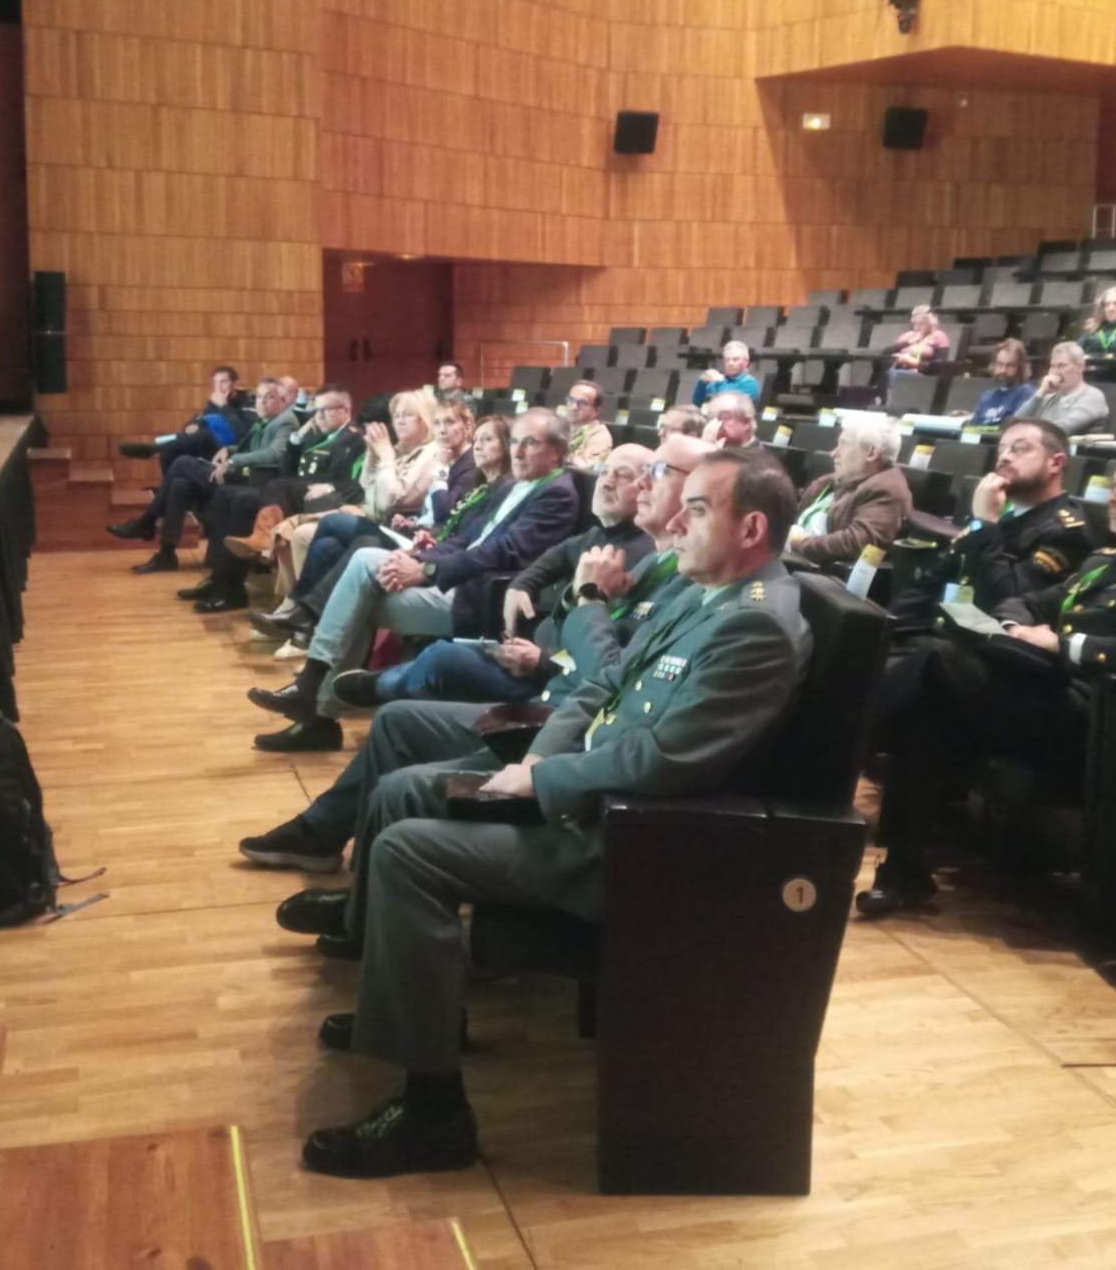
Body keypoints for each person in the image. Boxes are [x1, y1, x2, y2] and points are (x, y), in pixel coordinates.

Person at [294, 450, 811, 1179]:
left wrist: (543, 783)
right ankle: (417, 1014)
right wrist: (537, 763)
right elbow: (599, 691)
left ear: (751, 526)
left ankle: (434, 1113)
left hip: (631, 845)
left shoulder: (756, 625)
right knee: (403, 793)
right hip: (587, 799)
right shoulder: (703, 594)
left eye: (697, 508)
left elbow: (662, 763)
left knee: (409, 851)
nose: (678, 521)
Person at [237, 437, 714, 883]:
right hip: (548, 685)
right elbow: (553, 583)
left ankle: (362, 691)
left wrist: (556, 645)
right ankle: (327, 796)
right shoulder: (646, 557)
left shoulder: (673, 572)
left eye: (652, 472)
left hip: (556, 712)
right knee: (391, 684)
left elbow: (614, 676)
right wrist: (535, 597)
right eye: (631, 472)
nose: (631, 483)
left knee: (425, 673)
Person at [856, 448, 1116, 917]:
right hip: (1042, 690)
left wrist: (1064, 645)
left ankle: (836, 750)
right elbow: (1028, 603)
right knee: (932, 706)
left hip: (1096, 715)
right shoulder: (1103, 559)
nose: (1113, 495)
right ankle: (903, 871)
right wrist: (1014, 628)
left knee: (936, 661)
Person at [244, 411, 580, 751]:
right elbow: (464, 539)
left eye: (530, 443)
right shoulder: (518, 485)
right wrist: (417, 560)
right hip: (455, 580)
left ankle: (315, 703)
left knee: (359, 593)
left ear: (557, 451)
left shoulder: (557, 494)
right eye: (515, 441)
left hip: (479, 597)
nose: (517, 451)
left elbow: (500, 552)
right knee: (363, 565)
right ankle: (315, 704)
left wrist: (427, 571)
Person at [332, 445, 658, 709]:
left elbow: (609, 657)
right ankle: (373, 684)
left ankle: (378, 686)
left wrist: (542, 662)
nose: (606, 481)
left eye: (622, 475)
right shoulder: (598, 535)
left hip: (550, 684)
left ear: (647, 488)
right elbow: (551, 559)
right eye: (604, 471)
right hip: (531, 654)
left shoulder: (635, 557)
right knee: (447, 652)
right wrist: (521, 585)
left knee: (441, 658)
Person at [885, 419, 1093, 634]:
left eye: (1020, 449)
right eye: (1002, 449)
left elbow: (1007, 604)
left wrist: (985, 524)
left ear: (1056, 463)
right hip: (933, 629)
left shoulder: (1067, 532)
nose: (1004, 457)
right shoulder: (1002, 511)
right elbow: (935, 578)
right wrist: (887, 625)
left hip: (979, 647)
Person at [183, 387, 365, 610]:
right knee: (227, 494)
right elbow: (289, 469)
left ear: (345, 411)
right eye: (316, 411)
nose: (319, 416)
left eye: (325, 410)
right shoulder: (318, 434)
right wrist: (297, 439)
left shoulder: (355, 440)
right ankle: (219, 579)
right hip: (293, 495)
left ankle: (236, 585)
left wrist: (327, 486)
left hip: (324, 503)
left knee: (254, 495)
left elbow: (356, 484)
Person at [259, 388, 445, 606]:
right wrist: (372, 459)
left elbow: (391, 501)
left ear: (425, 419)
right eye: (396, 416)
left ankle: (297, 609)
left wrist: (384, 457)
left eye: (408, 415)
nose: (400, 421)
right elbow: (367, 488)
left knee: (330, 521)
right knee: (318, 542)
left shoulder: (432, 454)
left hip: (402, 534)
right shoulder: (400, 450)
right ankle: (300, 614)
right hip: (378, 522)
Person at [110, 375, 298, 564]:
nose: (262, 401)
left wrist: (233, 462)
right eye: (259, 397)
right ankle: (166, 554)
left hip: (255, 481)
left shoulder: (285, 422)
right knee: (180, 484)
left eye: (269, 397)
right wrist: (229, 450)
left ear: (282, 401)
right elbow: (245, 447)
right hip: (241, 473)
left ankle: (147, 521)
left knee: (183, 463)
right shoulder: (265, 420)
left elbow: (274, 454)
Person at [783, 412, 911, 569]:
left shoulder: (887, 490)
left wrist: (797, 543)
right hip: (787, 559)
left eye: (843, 444)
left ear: (871, 453)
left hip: (810, 573)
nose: (833, 453)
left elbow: (855, 543)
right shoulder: (837, 480)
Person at [117, 364, 248, 467]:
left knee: (204, 436)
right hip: (204, 451)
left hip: (226, 451)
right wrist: (191, 425)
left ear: (234, 384)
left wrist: (224, 406)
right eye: (216, 383)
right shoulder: (212, 407)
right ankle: (156, 450)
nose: (219, 387)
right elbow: (199, 420)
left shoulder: (245, 405)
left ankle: (152, 450)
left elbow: (242, 433)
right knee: (172, 442)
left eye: (223, 382)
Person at [1016, 342, 1111, 435]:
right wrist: (1040, 393)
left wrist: (1029, 433)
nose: (1056, 372)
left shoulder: (1092, 396)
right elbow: (1016, 423)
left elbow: (1062, 428)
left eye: (1061, 366)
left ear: (1080, 367)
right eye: (1052, 366)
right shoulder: (1049, 396)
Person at [966, 339, 1036, 426]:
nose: (1003, 370)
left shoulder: (1025, 392)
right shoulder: (987, 396)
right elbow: (972, 427)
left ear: (1020, 368)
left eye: (1010, 365)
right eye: (1000, 364)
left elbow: (1015, 426)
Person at [690, 339, 762, 407]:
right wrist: (702, 382)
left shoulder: (750, 383)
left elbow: (728, 408)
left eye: (735, 359)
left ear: (746, 362)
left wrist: (718, 382)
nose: (730, 363)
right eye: (727, 360)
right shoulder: (716, 380)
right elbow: (696, 405)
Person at [564, 381, 614, 470]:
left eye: (583, 403)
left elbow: (588, 469)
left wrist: (567, 455)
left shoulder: (600, 436)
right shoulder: (559, 426)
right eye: (571, 400)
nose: (574, 407)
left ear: (596, 411)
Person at [889, 305, 950, 371]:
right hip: (899, 370)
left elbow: (940, 366)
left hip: (922, 375)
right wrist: (908, 342)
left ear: (930, 323)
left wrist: (915, 363)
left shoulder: (939, 336)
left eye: (921, 324)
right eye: (915, 324)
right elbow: (884, 353)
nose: (916, 327)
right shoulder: (908, 335)